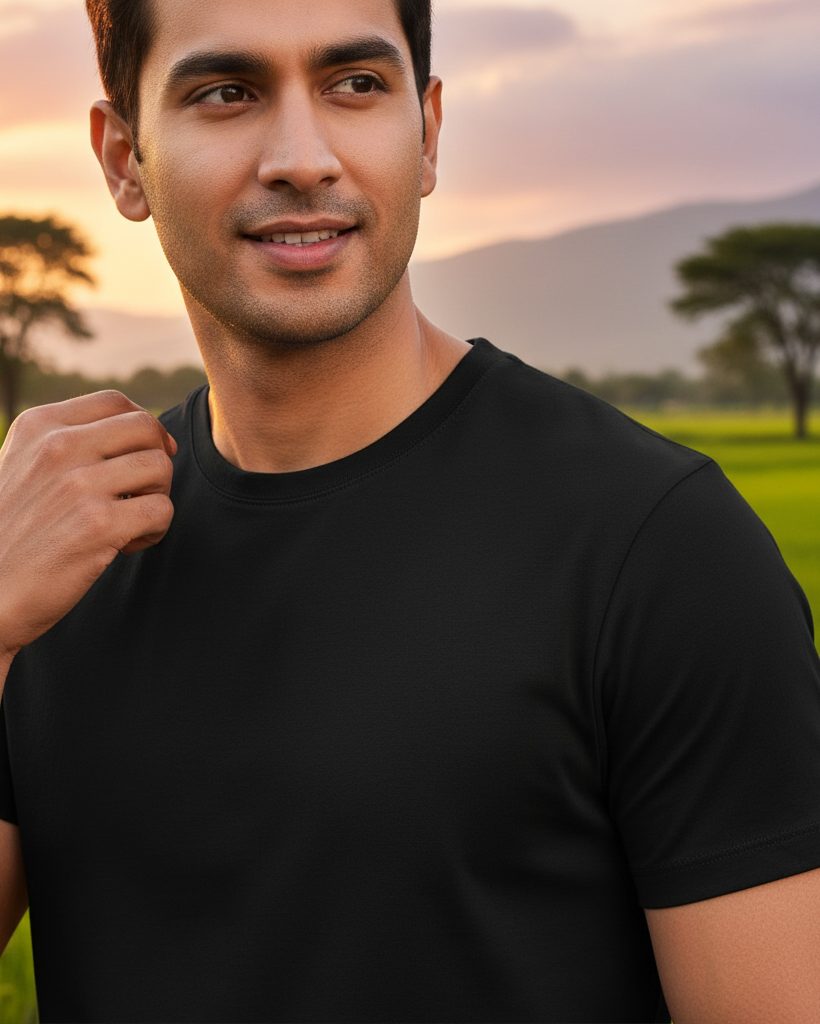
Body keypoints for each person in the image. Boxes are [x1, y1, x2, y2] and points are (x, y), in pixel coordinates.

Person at [0, 0, 818, 1019]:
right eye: (227, 93)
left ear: (426, 134)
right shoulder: (53, 560)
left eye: (355, 85)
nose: (303, 157)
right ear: (125, 157)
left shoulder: (656, 547)